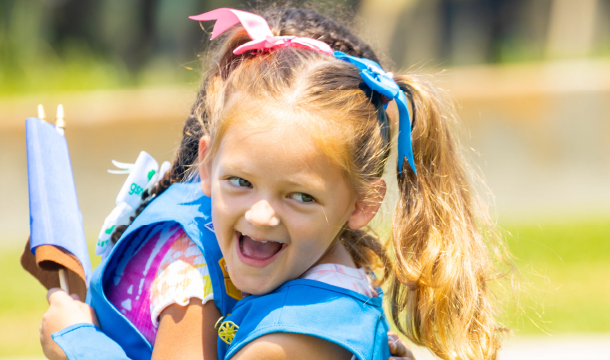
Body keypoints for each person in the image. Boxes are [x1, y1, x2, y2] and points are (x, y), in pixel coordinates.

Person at [40, 5, 508, 360]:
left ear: (363, 203)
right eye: (240, 181)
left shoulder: (286, 340)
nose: (261, 214)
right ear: (206, 165)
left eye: (301, 195)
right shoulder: (331, 278)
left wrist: (76, 342)